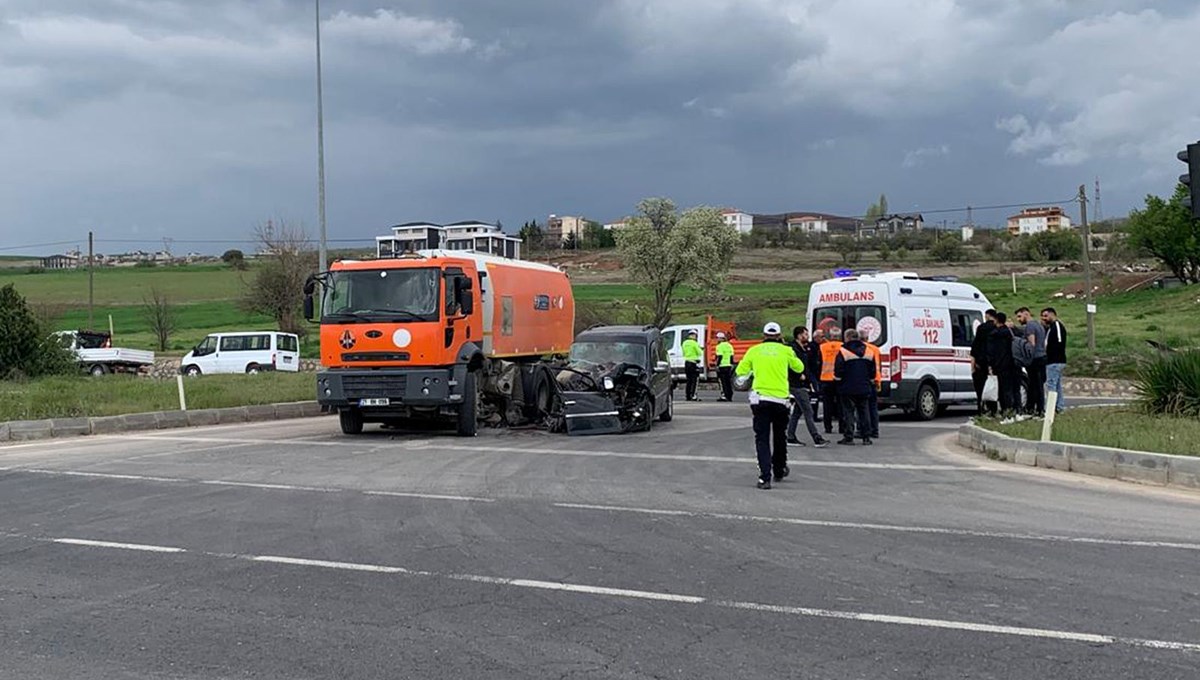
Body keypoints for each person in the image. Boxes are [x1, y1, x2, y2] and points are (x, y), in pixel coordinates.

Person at [735, 322, 806, 489]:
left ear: (764, 335)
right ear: (779, 335)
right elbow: (799, 367)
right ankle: (779, 469)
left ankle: (764, 477)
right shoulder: (786, 350)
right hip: (781, 399)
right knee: (780, 436)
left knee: (762, 438)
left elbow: (740, 371)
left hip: (761, 399)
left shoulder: (754, 350)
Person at [787, 326, 829, 448]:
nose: (808, 337)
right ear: (799, 335)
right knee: (808, 411)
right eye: (805, 334)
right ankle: (816, 438)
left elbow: (807, 366)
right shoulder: (792, 349)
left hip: (804, 383)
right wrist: (798, 375)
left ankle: (790, 436)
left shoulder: (803, 348)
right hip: (796, 384)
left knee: (797, 412)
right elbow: (790, 365)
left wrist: (811, 381)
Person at [834, 329, 875, 445]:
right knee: (864, 411)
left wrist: (837, 381)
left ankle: (849, 437)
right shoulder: (868, 351)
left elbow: (838, 370)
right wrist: (870, 382)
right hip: (864, 386)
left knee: (848, 412)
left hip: (847, 387)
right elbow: (873, 370)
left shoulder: (843, 351)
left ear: (847, 337)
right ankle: (866, 437)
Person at [985, 312, 1018, 416]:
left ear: (996, 320)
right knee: (1008, 389)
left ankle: (1002, 409)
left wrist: (990, 364)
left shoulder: (993, 335)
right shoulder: (1010, 333)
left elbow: (990, 351)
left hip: (997, 365)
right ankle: (1009, 409)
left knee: (999, 389)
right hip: (1010, 364)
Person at [1016, 307, 1047, 416]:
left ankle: (1035, 409)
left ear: (1026, 314)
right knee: (1039, 385)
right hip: (1042, 357)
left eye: (1020, 316)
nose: (1019, 319)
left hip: (1034, 359)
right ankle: (1040, 408)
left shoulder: (1029, 327)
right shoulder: (1039, 325)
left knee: (1034, 385)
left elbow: (1031, 344)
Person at [970, 309, 996, 415]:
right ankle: (993, 410)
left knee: (980, 389)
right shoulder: (998, 328)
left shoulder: (981, 329)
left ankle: (981, 410)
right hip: (995, 364)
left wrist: (973, 366)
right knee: (994, 388)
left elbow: (975, 348)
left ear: (987, 316)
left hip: (981, 364)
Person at [1042, 307, 1068, 414]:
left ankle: (1050, 408)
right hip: (1053, 360)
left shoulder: (1056, 326)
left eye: (1046, 316)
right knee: (1056, 384)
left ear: (1052, 315)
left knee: (1051, 384)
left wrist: (1051, 354)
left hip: (1055, 360)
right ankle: (1059, 406)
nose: (1044, 318)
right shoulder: (1050, 327)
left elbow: (1059, 341)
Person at [818, 331, 844, 435]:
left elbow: (818, 363)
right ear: (839, 337)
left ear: (830, 336)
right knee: (841, 404)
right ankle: (842, 427)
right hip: (839, 380)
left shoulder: (823, 347)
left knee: (827, 405)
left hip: (825, 379)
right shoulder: (843, 347)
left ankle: (828, 427)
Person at [863, 338, 883, 439]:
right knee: (873, 407)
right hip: (875, 380)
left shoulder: (862, 349)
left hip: (865, 381)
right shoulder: (875, 349)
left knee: (863, 407)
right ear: (867, 338)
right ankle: (875, 431)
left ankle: (864, 430)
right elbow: (880, 365)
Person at [682, 329, 703, 401]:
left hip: (687, 362)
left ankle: (688, 396)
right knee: (694, 380)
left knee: (689, 380)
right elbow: (700, 353)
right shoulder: (694, 343)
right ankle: (693, 396)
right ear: (694, 335)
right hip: (694, 363)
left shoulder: (684, 343)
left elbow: (684, 353)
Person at [714, 332, 735, 402]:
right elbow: (732, 356)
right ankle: (729, 396)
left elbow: (719, 356)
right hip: (728, 366)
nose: (717, 339)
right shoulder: (729, 345)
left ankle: (724, 396)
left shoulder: (719, 346)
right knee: (728, 382)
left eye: (717, 338)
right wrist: (731, 364)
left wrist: (717, 365)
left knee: (723, 382)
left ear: (721, 339)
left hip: (722, 366)